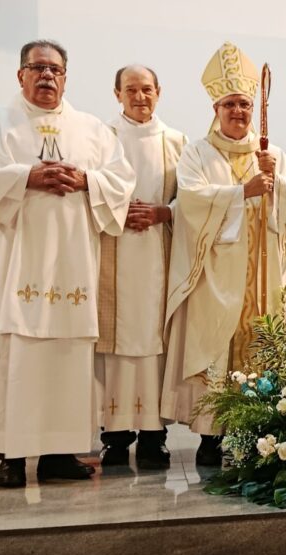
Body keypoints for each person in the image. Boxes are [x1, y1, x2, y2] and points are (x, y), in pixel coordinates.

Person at [0, 39, 135, 488]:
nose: (47, 76)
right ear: (21, 75)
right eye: (37, 68)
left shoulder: (92, 130)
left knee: (66, 358)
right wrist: (25, 177)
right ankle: (11, 458)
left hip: (72, 264)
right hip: (14, 262)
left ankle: (58, 455)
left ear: (65, 78)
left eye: (55, 70)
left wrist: (88, 179)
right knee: (14, 357)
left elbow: (121, 180)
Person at [161, 42, 286, 466]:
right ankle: (211, 437)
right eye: (230, 104)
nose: (239, 112)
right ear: (216, 108)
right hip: (217, 277)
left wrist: (278, 184)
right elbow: (190, 202)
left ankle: (258, 431)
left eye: (245, 104)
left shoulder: (272, 154)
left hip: (263, 276)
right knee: (217, 347)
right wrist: (242, 191)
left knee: (260, 344)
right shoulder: (197, 152)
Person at [96, 65, 187, 469]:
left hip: (158, 255)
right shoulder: (101, 138)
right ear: (117, 93)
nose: (139, 97)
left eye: (147, 89)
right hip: (113, 251)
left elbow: (193, 197)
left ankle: (154, 436)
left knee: (155, 343)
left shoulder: (177, 142)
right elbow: (88, 189)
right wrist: (119, 211)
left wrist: (164, 212)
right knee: (114, 344)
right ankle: (114, 438)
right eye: (130, 89)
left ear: (158, 92)